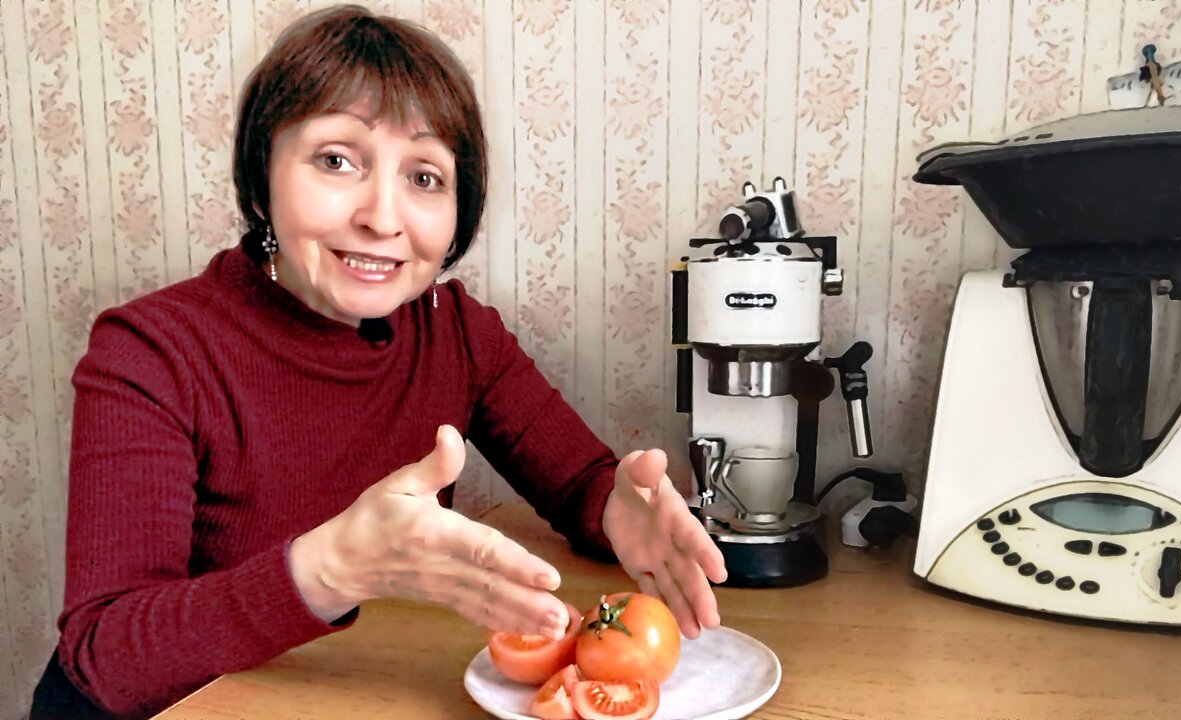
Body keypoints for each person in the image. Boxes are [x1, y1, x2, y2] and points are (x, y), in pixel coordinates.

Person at [30, 6, 727, 718]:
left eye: (425, 177)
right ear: (262, 170)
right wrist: (330, 569)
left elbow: (578, 479)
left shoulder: (454, 331)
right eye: (337, 160)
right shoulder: (151, 350)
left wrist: (615, 508)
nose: (383, 218)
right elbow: (105, 654)